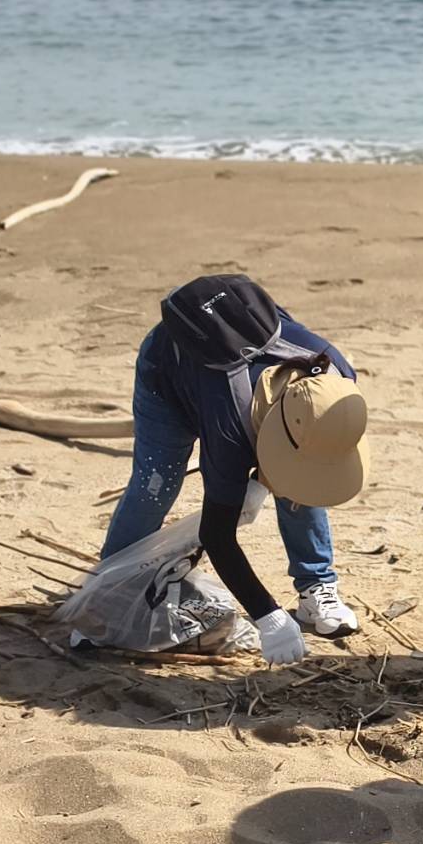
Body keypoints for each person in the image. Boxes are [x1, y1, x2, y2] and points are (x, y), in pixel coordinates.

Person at [100, 274, 371, 666]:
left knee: (304, 474)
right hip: (168, 380)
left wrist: (265, 480)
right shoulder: (229, 428)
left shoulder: (337, 377)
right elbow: (217, 534)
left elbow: (312, 449)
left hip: (253, 405)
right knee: (155, 487)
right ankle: (108, 596)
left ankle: (316, 587)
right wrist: (268, 615)